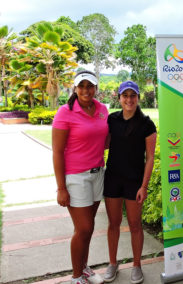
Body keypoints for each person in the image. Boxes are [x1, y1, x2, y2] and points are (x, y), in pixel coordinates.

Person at [53, 70, 109, 284]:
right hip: (76, 177)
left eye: (90, 85)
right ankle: (76, 277)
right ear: (75, 88)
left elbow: (106, 140)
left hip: (97, 174)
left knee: (89, 227)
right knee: (83, 228)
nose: (86, 90)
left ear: (96, 88)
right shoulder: (65, 112)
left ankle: (84, 268)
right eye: (82, 86)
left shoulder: (102, 109)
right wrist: (61, 187)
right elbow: (57, 152)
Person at [102, 81, 157, 284]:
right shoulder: (112, 120)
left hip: (134, 182)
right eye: (124, 96)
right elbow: (104, 144)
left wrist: (144, 186)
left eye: (132, 95)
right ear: (119, 98)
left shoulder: (146, 124)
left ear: (138, 98)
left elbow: (150, 157)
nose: (129, 99)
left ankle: (136, 265)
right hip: (113, 179)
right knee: (113, 224)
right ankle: (112, 263)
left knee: (135, 225)